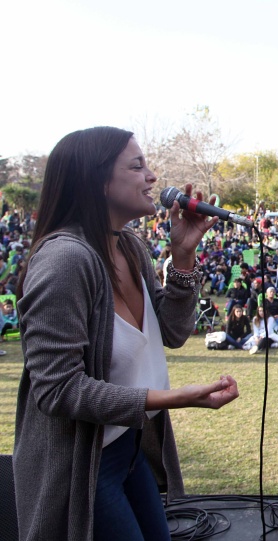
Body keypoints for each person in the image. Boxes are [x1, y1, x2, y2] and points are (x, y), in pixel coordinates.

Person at [13, 127, 240, 540]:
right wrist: (174, 398)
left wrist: (182, 256)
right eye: (137, 166)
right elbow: (58, 390)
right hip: (84, 466)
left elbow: (172, 331)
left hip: (129, 449)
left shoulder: (130, 247)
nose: (153, 177)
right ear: (97, 181)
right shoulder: (65, 261)